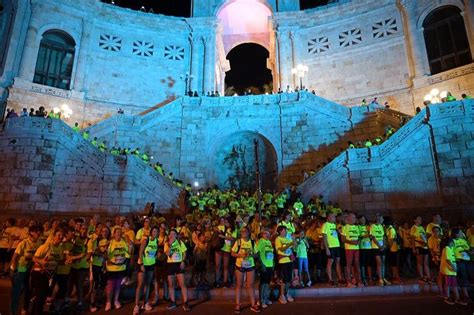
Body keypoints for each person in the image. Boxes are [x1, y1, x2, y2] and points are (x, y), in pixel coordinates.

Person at [9, 225, 42, 315]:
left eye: (39, 231)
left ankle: (24, 308)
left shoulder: (39, 242)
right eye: (36, 231)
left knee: (28, 290)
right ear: (31, 233)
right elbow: (15, 257)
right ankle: (13, 310)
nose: (38, 233)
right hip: (21, 267)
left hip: (31, 269)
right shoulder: (23, 243)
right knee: (17, 290)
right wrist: (15, 269)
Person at [30, 229, 64, 315]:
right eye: (59, 235)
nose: (61, 237)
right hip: (39, 273)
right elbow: (34, 258)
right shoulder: (45, 246)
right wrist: (41, 261)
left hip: (48, 275)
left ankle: (35, 312)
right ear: (53, 237)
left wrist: (65, 261)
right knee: (40, 296)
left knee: (42, 296)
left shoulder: (59, 248)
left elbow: (58, 261)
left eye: (62, 235)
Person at [231, 226, 260, 313]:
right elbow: (232, 253)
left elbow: (257, 254)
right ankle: (238, 304)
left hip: (250, 265)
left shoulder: (252, 242)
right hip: (240, 265)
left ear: (248, 232)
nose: (243, 232)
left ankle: (253, 304)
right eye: (242, 231)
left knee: (250, 285)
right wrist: (240, 255)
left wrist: (251, 255)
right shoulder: (238, 242)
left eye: (245, 231)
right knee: (239, 285)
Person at [134, 226, 159, 314]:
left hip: (151, 265)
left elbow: (155, 252)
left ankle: (145, 303)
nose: (155, 233)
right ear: (151, 232)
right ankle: (136, 306)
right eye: (154, 231)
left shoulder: (157, 241)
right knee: (140, 284)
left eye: (156, 232)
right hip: (143, 264)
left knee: (148, 284)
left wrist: (156, 256)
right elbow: (140, 252)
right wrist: (141, 264)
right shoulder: (146, 240)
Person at [164, 229, 190, 311]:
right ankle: (173, 302)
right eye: (170, 234)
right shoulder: (167, 244)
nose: (172, 235)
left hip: (179, 263)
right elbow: (167, 254)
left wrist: (183, 261)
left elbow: (184, 252)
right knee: (171, 284)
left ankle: (185, 303)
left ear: (176, 235)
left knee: (182, 283)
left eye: (174, 234)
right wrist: (170, 245)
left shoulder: (180, 242)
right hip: (170, 264)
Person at [66, 222, 90, 309]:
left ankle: (80, 301)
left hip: (83, 266)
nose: (84, 231)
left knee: (79, 284)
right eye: (82, 229)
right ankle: (67, 300)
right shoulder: (75, 239)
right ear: (79, 230)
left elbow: (84, 254)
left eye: (86, 229)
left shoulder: (88, 240)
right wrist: (69, 256)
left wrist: (72, 257)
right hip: (73, 265)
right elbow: (70, 249)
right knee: (70, 283)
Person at [105, 227, 130, 311]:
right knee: (110, 286)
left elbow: (127, 254)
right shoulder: (110, 242)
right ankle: (108, 302)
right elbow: (108, 256)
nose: (119, 234)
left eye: (120, 232)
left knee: (118, 286)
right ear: (114, 234)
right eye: (117, 232)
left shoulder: (124, 243)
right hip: (111, 268)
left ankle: (116, 301)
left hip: (121, 267)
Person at [88, 226, 110, 312]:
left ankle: (98, 300)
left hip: (106, 266)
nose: (105, 233)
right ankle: (92, 303)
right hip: (96, 265)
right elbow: (92, 252)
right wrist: (102, 252)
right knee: (96, 284)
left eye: (106, 231)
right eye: (103, 231)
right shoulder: (96, 241)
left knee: (103, 284)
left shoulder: (110, 241)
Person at [275, 225, 295, 304]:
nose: (286, 232)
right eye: (284, 230)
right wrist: (289, 244)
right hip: (283, 261)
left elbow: (294, 247)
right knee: (283, 279)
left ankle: (287, 293)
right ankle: (281, 295)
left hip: (289, 261)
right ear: (280, 231)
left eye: (286, 230)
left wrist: (293, 240)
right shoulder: (278, 239)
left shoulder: (287, 239)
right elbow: (280, 250)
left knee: (288, 279)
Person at [440, 237, 462, 305]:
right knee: (448, 284)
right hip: (448, 270)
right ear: (450, 242)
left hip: (452, 271)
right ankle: (447, 297)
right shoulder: (446, 248)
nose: (454, 243)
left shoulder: (450, 249)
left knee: (454, 285)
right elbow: (448, 260)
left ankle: (457, 298)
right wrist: (453, 267)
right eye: (453, 242)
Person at [451, 228, 471, 305]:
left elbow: (468, 248)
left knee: (464, 277)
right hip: (458, 261)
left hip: (465, 261)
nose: (462, 233)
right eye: (460, 232)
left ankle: (465, 296)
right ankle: (459, 297)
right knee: (459, 278)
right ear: (456, 234)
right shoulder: (452, 241)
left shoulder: (463, 240)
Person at [341, 212, 361, 287]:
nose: (354, 219)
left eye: (355, 218)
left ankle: (359, 281)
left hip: (357, 248)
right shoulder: (345, 227)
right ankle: (348, 282)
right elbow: (343, 239)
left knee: (357, 264)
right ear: (348, 218)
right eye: (353, 218)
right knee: (348, 265)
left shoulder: (356, 227)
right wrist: (352, 242)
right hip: (349, 249)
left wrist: (358, 241)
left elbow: (359, 237)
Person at [322, 213, 342, 286]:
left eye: (334, 217)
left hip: (337, 245)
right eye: (333, 216)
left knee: (338, 262)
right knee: (330, 262)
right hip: (331, 246)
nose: (334, 218)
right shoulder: (325, 225)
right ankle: (330, 279)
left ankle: (340, 278)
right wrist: (327, 248)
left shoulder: (334, 225)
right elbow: (324, 237)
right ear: (329, 217)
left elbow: (336, 234)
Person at [411, 216, 432, 284]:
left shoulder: (421, 227)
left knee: (426, 262)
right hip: (418, 246)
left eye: (421, 219)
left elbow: (424, 236)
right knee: (420, 262)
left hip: (424, 246)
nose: (420, 220)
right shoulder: (414, 227)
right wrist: (414, 248)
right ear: (415, 220)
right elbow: (413, 239)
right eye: (419, 219)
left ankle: (428, 277)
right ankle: (421, 277)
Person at [370, 214, 389, 286]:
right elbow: (373, 237)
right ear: (378, 219)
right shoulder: (373, 226)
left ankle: (383, 278)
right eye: (381, 219)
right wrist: (379, 246)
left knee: (383, 262)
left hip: (382, 247)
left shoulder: (381, 226)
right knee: (379, 263)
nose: (383, 220)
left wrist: (384, 245)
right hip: (376, 247)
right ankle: (380, 278)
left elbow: (383, 236)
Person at [256, 229, 274, 308]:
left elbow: (271, 253)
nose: (267, 235)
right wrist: (261, 264)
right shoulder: (261, 241)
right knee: (263, 283)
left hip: (270, 265)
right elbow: (258, 253)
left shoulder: (269, 242)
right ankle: (261, 300)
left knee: (267, 283)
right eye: (265, 233)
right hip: (264, 265)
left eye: (268, 233)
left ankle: (265, 298)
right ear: (262, 234)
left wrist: (273, 263)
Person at [385, 217, 401, 284]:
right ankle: (394, 277)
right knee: (392, 264)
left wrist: (388, 247)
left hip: (393, 249)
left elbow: (391, 240)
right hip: (391, 249)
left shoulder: (391, 230)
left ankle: (397, 278)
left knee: (394, 264)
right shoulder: (388, 229)